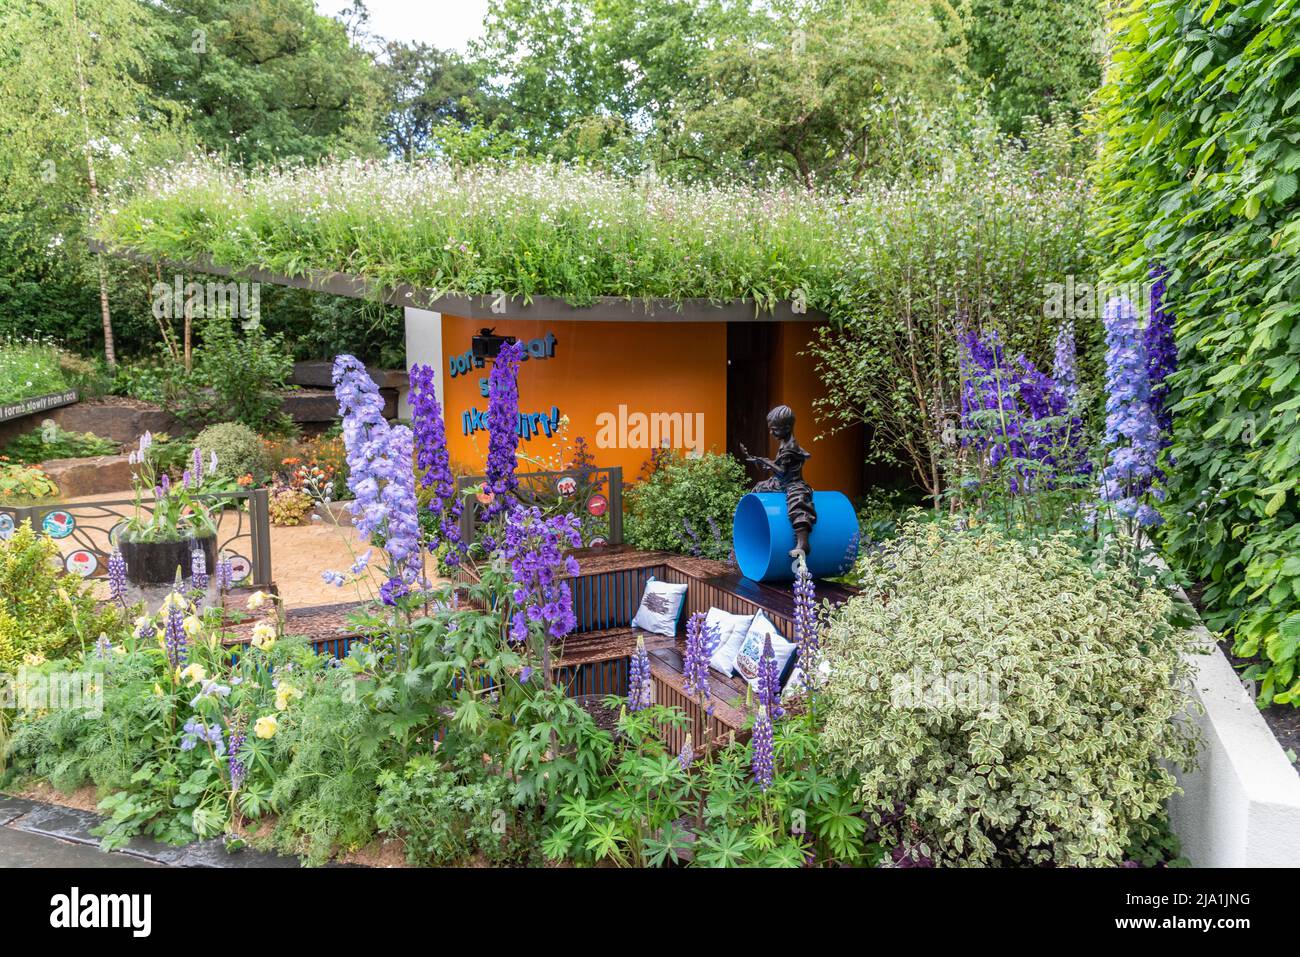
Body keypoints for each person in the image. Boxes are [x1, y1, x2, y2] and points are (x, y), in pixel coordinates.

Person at [738, 404, 817, 559]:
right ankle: (745, 522)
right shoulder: (783, 443)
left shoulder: (791, 447)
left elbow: (782, 471)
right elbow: (780, 467)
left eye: (774, 429)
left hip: (793, 483)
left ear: (787, 428)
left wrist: (766, 462)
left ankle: (803, 542)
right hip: (780, 483)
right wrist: (764, 461)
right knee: (758, 487)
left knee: (798, 502)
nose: (771, 432)